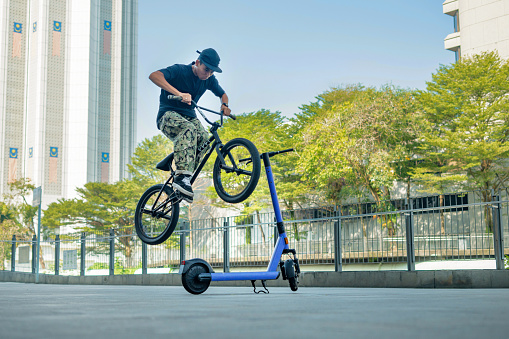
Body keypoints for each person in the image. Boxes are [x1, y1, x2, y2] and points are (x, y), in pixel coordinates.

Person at [149, 48, 231, 203]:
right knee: (189, 129)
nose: (207, 74)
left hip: (189, 116)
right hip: (167, 115)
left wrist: (225, 104)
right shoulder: (180, 70)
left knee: (205, 139)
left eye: (211, 72)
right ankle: (182, 177)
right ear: (198, 63)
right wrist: (179, 93)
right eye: (206, 70)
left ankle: (184, 175)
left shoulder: (209, 80)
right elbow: (154, 76)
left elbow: (222, 94)